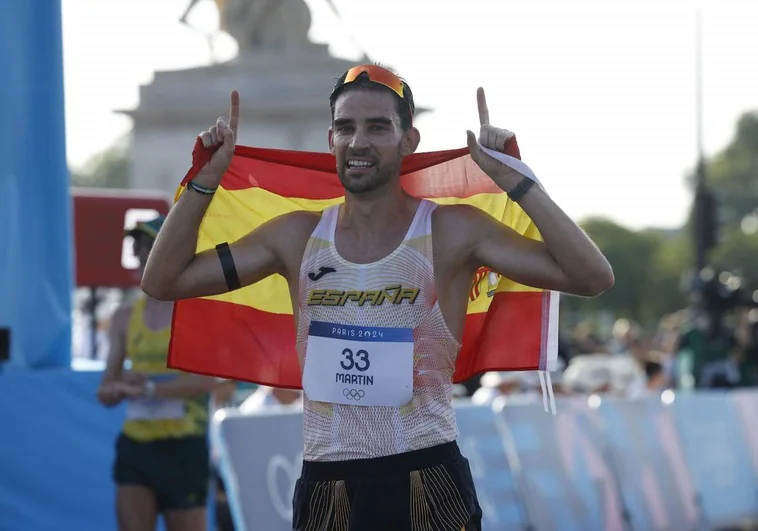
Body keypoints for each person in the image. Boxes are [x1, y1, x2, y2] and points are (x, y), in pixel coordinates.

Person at [141, 64, 614, 530]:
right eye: (345, 128)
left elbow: (591, 275)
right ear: (330, 141)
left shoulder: (451, 230)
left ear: (409, 141)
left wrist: (517, 181)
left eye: (377, 127)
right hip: (328, 485)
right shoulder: (295, 236)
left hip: (427, 478)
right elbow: (163, 281)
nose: (358, 142)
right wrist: (206, 180)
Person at [97, 215, 222, 531]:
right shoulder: (125, 315)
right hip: (137, 445)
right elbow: (105, 390)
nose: (139, 253)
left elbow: (208, 381)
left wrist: (150, 390)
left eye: (148, 245)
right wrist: (117, 389)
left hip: (184, 446)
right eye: (137, 246)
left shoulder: (197, 311)